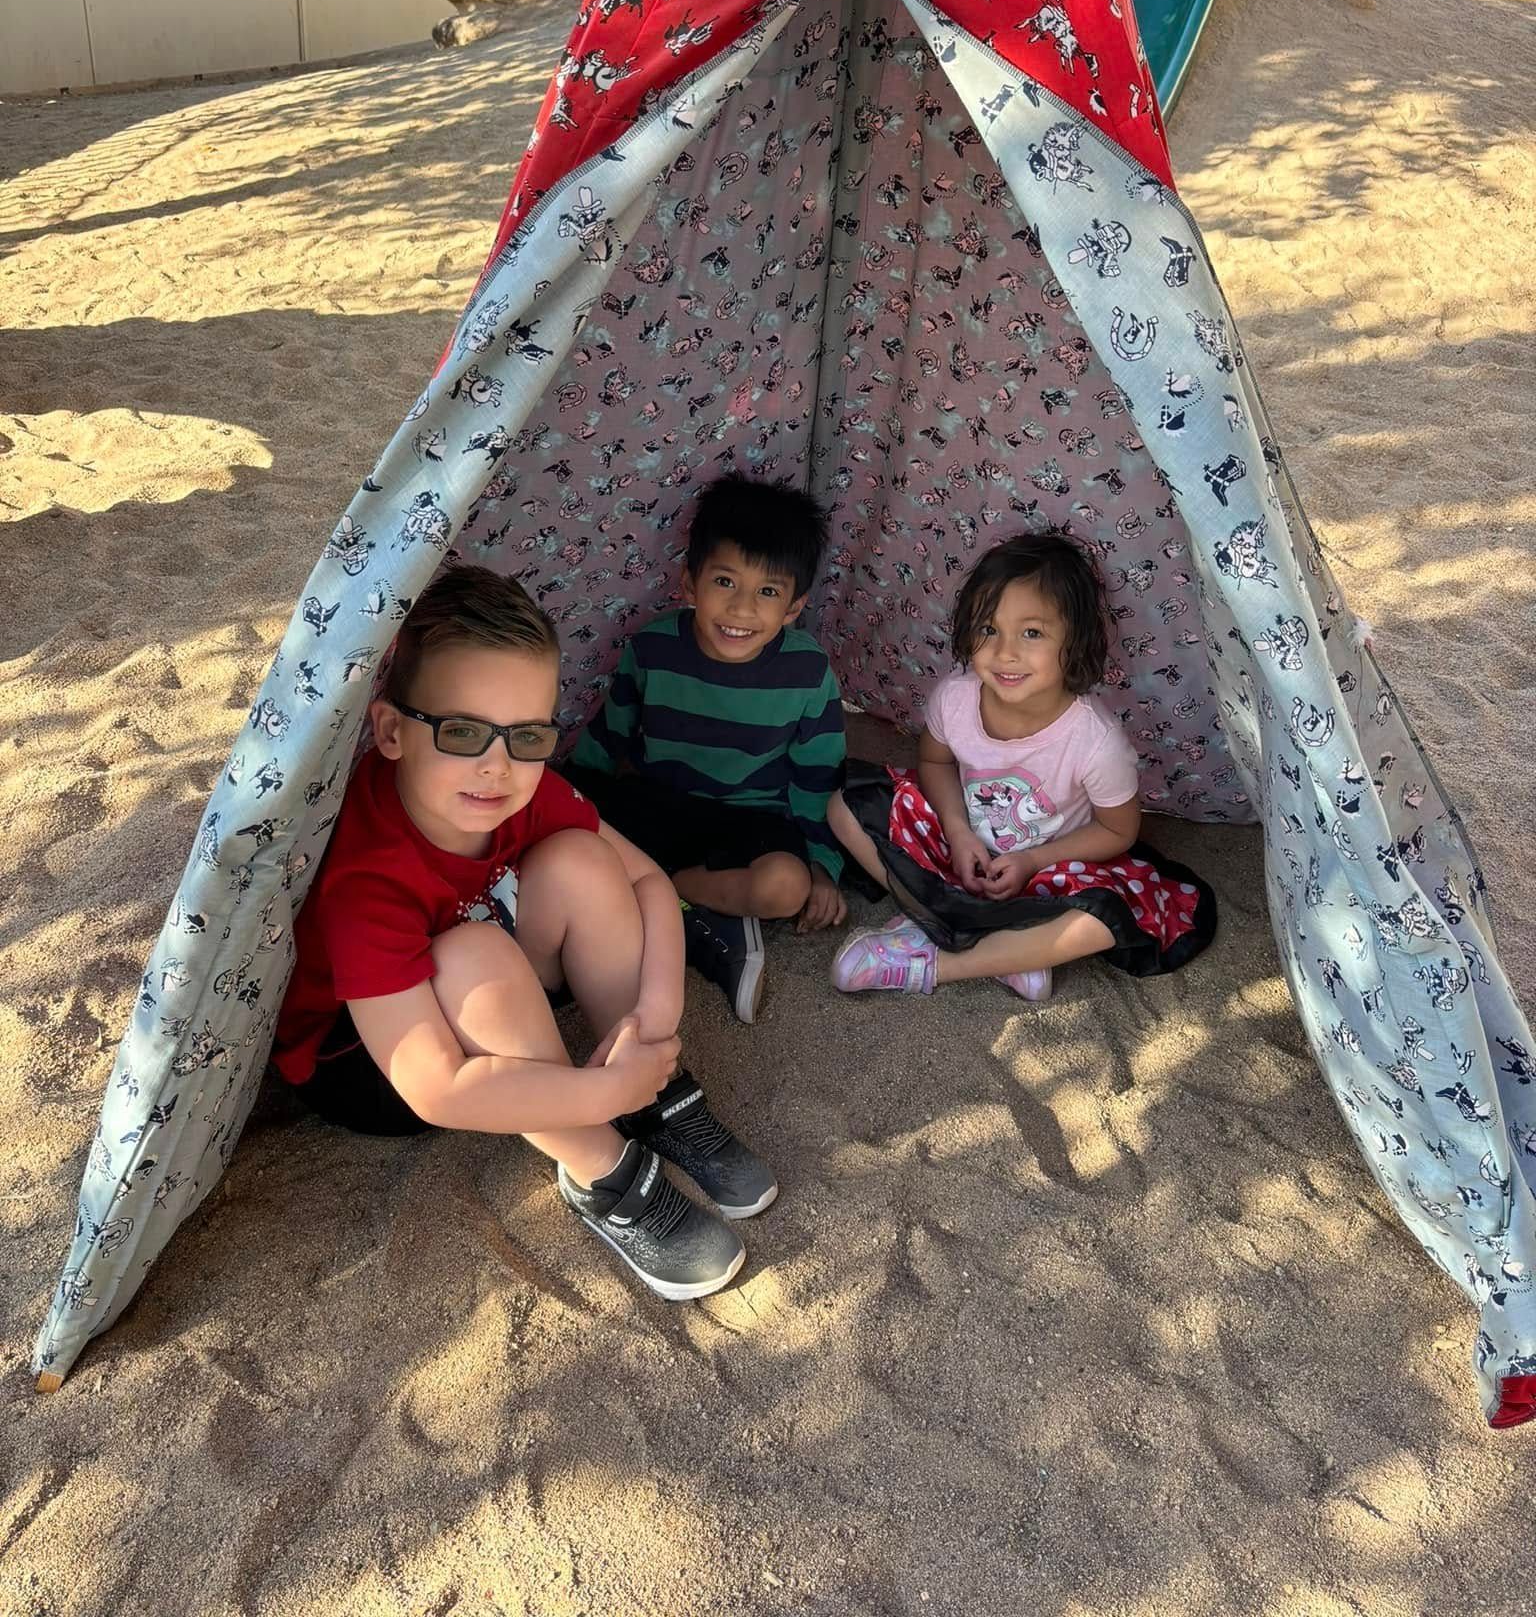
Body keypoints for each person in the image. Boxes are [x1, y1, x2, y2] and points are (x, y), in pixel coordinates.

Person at [271, 565, 776, 1303]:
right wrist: (591, 1092)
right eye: (464, 732)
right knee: (473, 953)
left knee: (582, 859)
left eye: (527, 735)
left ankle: (649, 1097)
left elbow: (650, 885)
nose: (496, 768)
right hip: (371, 1065)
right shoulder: (366, 879)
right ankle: (601, 1169)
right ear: (390, 732)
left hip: (480, 957)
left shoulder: (514, 789)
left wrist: (652, 1032)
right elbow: (436, 1089)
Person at [827, 532, 1216, 1001]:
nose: (1006, 652)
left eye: (1032, 633)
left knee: (1110, 916)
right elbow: (933, 760)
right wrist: (958, 832)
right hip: (958, 853)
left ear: (1074, 641)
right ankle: (1016, 954)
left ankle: (936, 961)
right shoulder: (956, 696)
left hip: (1048, 874)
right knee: (845, 806)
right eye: (988, 629)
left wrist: (1031, 859)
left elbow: (1118, 832)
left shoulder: (1096, 740)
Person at [567, 474, 847, 1026]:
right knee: (572, 834)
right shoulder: (652, 647)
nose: (742, 609)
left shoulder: (809, 669)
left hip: (752, 822)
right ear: (691, 584)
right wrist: (573, 803)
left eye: (768, 592)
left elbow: (817, 778)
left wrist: (824, 866)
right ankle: (695, 909)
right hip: (659, 804)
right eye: (725, 581)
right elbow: (608, 736)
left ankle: (673, 894)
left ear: (793, 608)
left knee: (786, 888)